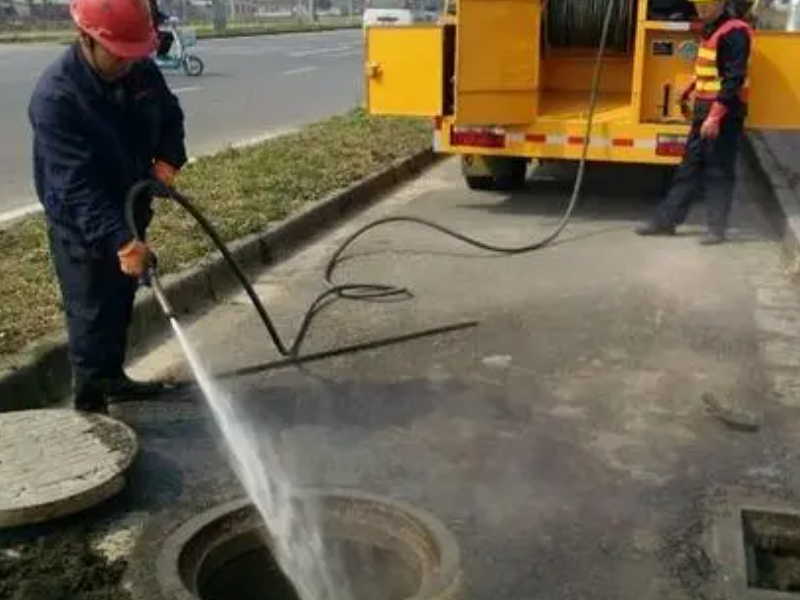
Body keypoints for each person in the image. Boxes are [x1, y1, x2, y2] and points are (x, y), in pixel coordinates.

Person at [29, 0, 187, 413]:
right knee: (90, 312)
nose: (128, 63)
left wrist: (169, 159)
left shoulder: (140, 71)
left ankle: (114, 378)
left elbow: (170, 116)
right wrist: (121, 241)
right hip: (82, 226)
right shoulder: (56, 98)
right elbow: (74, 189)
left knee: (119, 302)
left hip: (131, 204)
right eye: (119, 53)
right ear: (86, 39)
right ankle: (91, 405)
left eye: (136, 54)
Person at [636, 0, 752, 245]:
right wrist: (690, 88)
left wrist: (715, 116)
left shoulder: (736, 32)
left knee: (718, 170)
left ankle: (716, 229)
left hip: (724, 113)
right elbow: (707, 70)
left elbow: (734, 79)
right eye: (698, 5)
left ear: (720, 4)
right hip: (703, 110)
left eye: (706, 5)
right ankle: (666, 221)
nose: (700, 10)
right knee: (688, 168)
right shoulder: (709, 28)